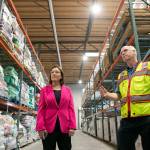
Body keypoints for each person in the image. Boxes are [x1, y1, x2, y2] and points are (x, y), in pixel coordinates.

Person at [99, 46, 150, 150]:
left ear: (134, 52)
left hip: (147, 117)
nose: (122, 53)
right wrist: (108, 94)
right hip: (127, 119)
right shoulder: (121, 75)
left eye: (125, 50)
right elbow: (118, 95)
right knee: (123, 146)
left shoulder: (148, 67)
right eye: (121, 52)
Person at [36, 65, 76, 150]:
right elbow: (41, 110)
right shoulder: (44, 90)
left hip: (64, 126)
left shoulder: (67, 90)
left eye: (57, 72)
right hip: (48, 127)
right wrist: (40, 127)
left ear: (61, 76)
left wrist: (72, 126)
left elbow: (71, 109)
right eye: (52, 72)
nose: (54, 73)